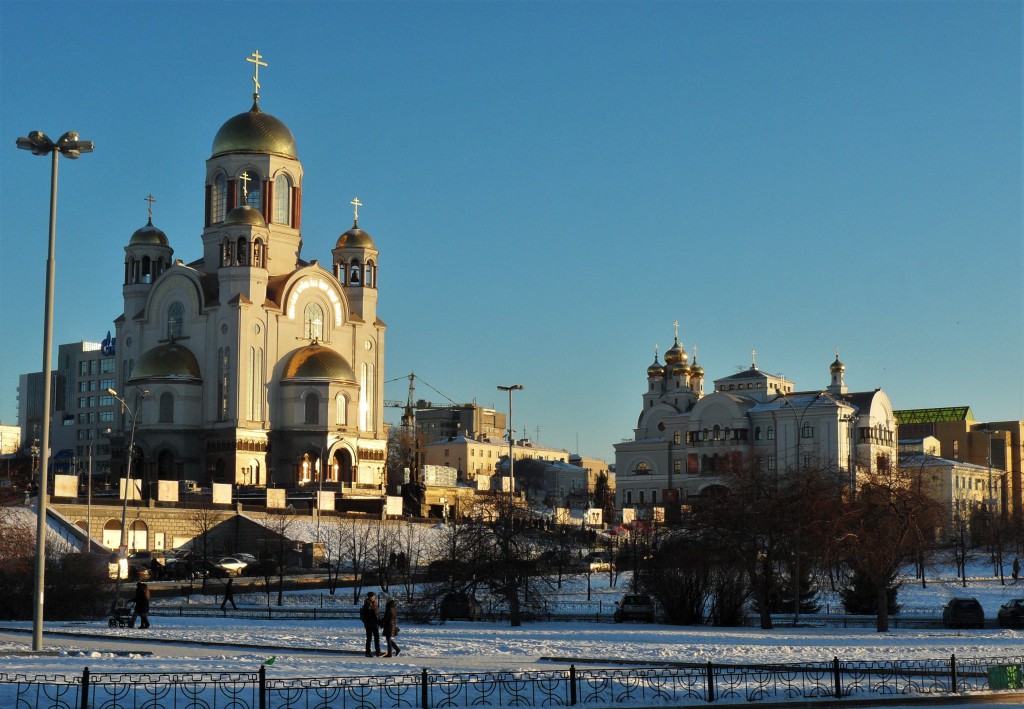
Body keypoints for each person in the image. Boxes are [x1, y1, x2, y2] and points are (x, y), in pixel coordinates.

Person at [360, 591, 382, 656]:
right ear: (370, 597)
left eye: (374, 596)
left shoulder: (374, 604)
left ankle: (378, 651)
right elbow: (368, 616)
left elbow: (377, 614)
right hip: (369, 624)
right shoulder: (367, 605)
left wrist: (379, 621)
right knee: (369, 638)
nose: (374, 597)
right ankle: (368, 652)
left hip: (375, 624)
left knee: (376, 638)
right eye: (373, 596)